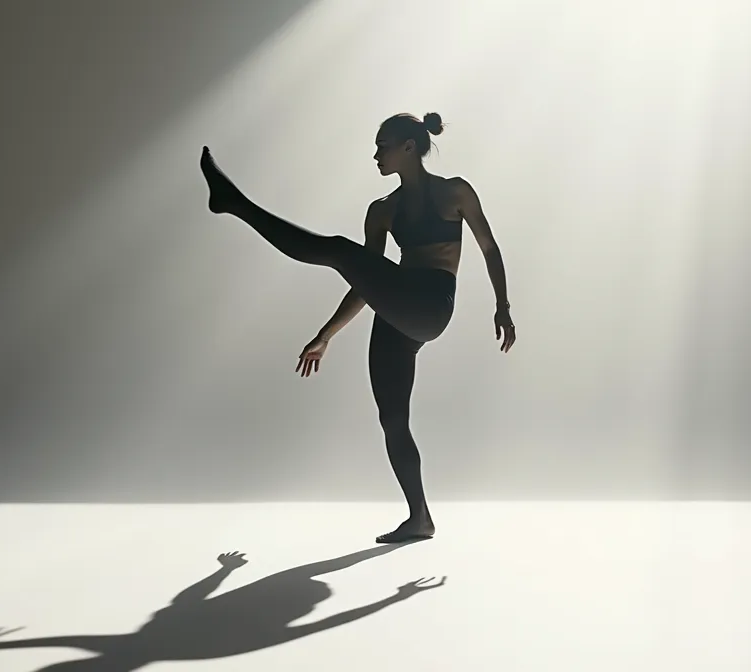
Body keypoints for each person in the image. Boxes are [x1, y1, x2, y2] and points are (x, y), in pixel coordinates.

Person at [199, 112, 515, 543]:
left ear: (408, 147)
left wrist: (502, 305)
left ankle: (234, 203)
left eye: (382, 146)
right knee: (393, 419)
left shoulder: (455, 191)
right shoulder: (382, 211)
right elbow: (367, 283)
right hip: (395, 307)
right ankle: (420, 518)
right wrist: (326, 335)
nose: (376, 155)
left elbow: (489, 247)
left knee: (337, 250)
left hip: (429, 304)